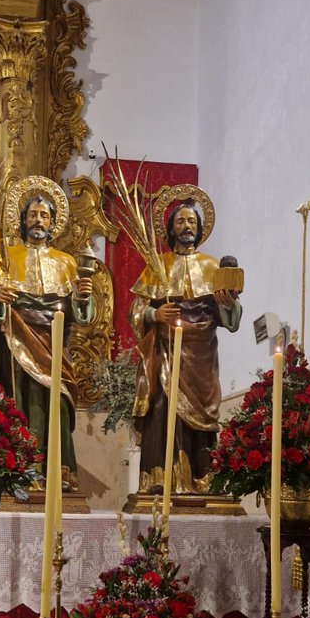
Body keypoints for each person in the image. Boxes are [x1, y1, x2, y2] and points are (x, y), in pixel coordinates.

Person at [0, 188, 93, 489]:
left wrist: (81, 298)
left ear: (53, 222)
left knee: (59, 404)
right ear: (23, 221)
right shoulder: (6, 256)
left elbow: (81, 315)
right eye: (33, 215)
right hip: (17, 340)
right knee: (22, 403)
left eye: (44, 215)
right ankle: (22, 470)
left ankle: (59, 473)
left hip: (54, 342)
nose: (38, 220)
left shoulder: (66, 262)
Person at [130, 200, 241, 494]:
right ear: (170, 228)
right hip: (165, 352)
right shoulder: (158, 266)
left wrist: (228, 305)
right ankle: (160, 478)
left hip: (201, 357)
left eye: (191, 221)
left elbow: (230, 320)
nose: (186, 226)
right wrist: (155, 314)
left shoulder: (211, 266)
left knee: (199, 420)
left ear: (200, 227)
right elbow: (135, 310)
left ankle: (200, 480)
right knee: (162, 410)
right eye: (180, 221)